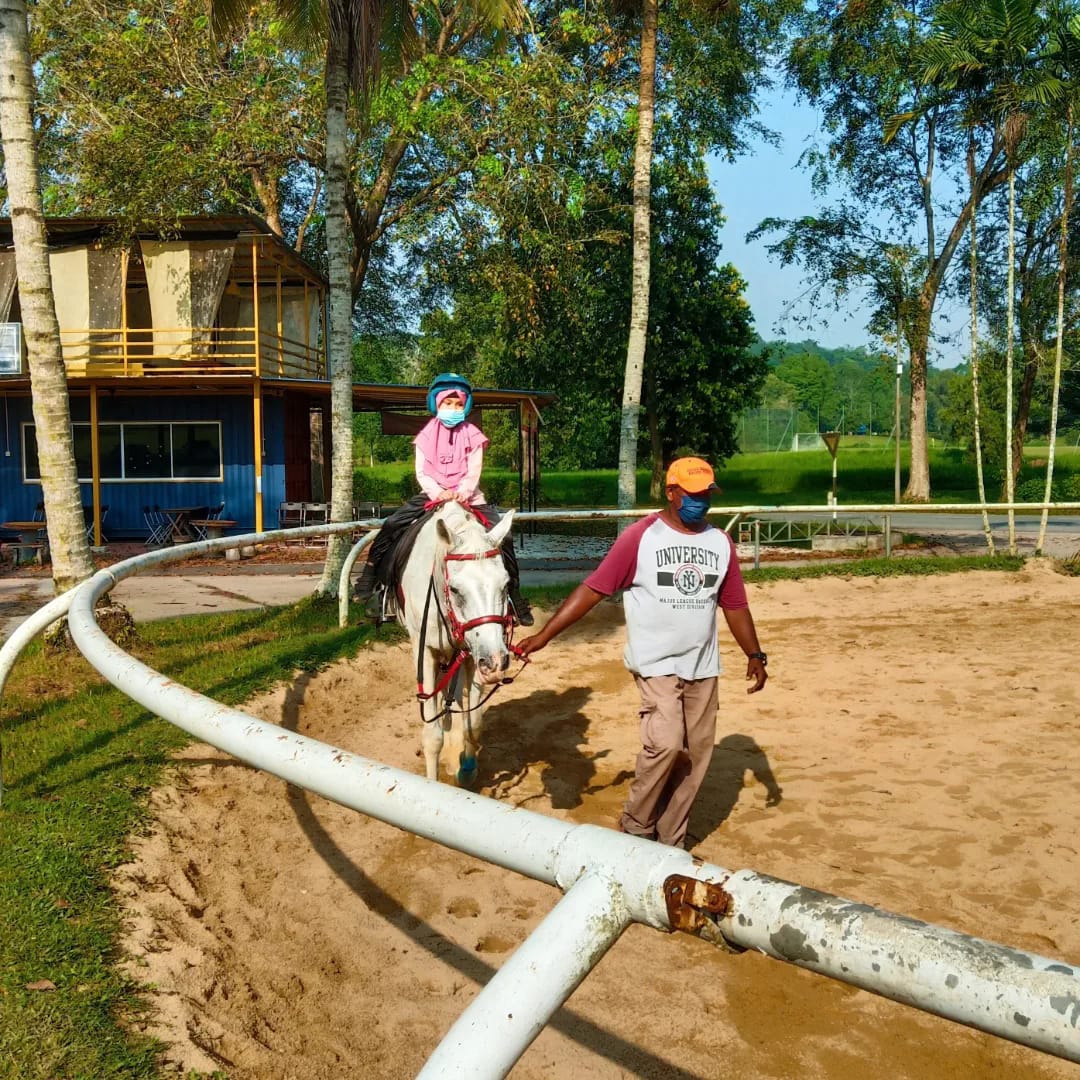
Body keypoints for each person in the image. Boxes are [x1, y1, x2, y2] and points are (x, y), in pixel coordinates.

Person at [516, 456, 767, 848]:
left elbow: (734, 604)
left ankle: (671, 839)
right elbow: (594, 588)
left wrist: (755, 654)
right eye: (693, 494)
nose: (701, 502)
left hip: (703, 665)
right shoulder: (641, 536)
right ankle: (635, 828)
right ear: (671, 492)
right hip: (656, 663)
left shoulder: (720, 542)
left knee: (695, 754)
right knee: (665, 743)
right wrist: (545, 635)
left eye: (707, 494)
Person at [355, 372, 534, 625]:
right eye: (448, 403)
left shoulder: (473, 434)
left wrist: (463, 491)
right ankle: (373, 579)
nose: (453, 408)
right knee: (393, 524)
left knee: (503, 537)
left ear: (466, 406)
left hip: (469, 496)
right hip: (433, 494)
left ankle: (514, 595)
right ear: (437, 404)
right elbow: (422, 472)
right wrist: (438, 492)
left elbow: (474, 469)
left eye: (459, 404)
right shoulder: (425, 436)